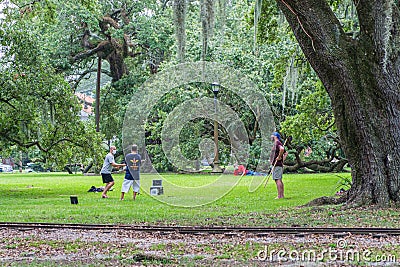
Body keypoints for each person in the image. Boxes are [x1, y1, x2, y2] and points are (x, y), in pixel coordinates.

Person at [270, 132, 286, 199]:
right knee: (279, 179)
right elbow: (286, 153)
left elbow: (282, 149)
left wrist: (279, 157)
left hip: (277, 165)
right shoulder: (277, 143)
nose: (271, 136)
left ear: (275, 136)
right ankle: (281, 195)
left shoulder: (277, 143)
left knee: (277, 179)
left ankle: (279, 196)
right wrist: (282, 160)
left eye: (272, 135)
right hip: (277, 164)